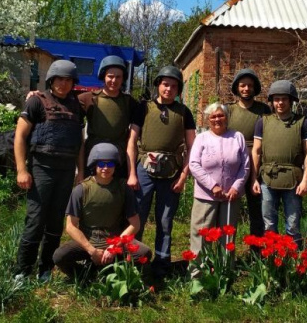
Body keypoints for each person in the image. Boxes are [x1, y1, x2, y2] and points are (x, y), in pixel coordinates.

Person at [14, 59, 85, 281]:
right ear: (51, 80)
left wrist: (80, 171)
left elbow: (80, 142)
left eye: (68, 80)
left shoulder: (77, 106)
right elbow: (20, 137)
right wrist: (21, 170)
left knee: (55, 222)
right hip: (41, 169)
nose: (63, 84)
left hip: (65, 171)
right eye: (59, 79)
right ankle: (22, 270)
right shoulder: (37, 102)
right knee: (36, 220)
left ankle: (46, 269)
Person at [128, 65, 196, 277]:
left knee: (165, 220)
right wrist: (132, 173)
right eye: (165, 84)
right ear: (158, 85)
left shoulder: (184, 112)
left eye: (174, 86)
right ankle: (134, 261)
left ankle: (162, 263)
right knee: (137, 217)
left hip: (172, 172)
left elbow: (192, 146)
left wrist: (184, 176)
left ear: (179, 90)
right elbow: (131, 141)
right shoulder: (143, 108)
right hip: (143, 170)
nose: (169, 89)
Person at [53, 143, 151, 280]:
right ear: (94, 165)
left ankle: (118, 274)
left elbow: (135, 224)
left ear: (115, 166)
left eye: (110, 164)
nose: (106, 168)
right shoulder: (81, 190)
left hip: (114, 240)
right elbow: (70, 226)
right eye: (101, 164)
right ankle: (85, 276)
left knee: (144, 253)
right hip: (89, 240)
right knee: (59, 256)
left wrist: (113, 247)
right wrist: (91, 250)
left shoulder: (124, 189)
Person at [251, 80, 307, 247]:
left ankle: (292, 262)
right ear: (272, 101)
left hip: (293, 181)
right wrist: (254, 179)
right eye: (276, 99)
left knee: (293, 225)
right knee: (269, 224)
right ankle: (272, 260)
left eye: (284, 99)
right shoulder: (262, 122)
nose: (280, 103)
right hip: (267, 179)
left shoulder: (303, 123)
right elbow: (256, 151)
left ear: (291, 100)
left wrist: (306, 180)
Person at [188, 103, 250, 255]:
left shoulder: (237, 137)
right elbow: (194, 164)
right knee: (202, 235)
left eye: (221, 115)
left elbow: (245, 166)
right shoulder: (201, 138)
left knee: (227, 238)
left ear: (227, 117)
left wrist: (236, 187)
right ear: (208, 120)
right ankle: (198, 274)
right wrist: (213, 186)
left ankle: (224, 272)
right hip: (206, 196)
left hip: (230, 196)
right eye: (213, 116)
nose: (217, 119)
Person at [226, 69, 271, 244]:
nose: (246, 89)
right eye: (243, 85)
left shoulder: (263, 110)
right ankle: (226, 250)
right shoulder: (229, 110)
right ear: (237, 88)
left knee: (257, 209)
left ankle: (257, 250)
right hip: (234, 162)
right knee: (229, 207)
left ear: (255, 88)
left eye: (250, 85)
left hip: (257, 162)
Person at [78, 55, 138, 179]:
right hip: (94, 157)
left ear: (123, 79)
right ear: (103, 76)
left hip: (118, 158)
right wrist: (38, 95)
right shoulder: (88, 98)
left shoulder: (129, 102)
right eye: (110, 76)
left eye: (118, 77)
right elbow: (63, 103)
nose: (114, 80)